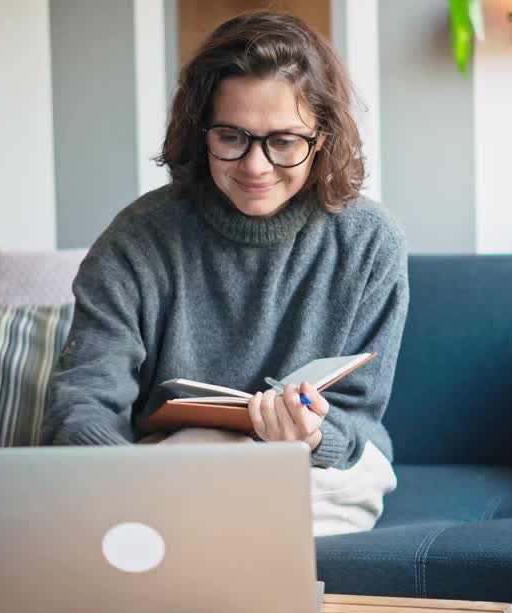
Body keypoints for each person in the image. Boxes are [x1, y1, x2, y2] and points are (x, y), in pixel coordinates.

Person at [40, 11, 408, 536]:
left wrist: (310, 438)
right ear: (201, 131)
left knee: (257, 517)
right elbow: (84, 401)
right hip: (174, 464)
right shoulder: (139, 238)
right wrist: (115, 486)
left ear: (322, 138)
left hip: (318, 471)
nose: (255, 166)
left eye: (284, 141)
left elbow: (357, 420)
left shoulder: (370, 242)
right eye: (232, 137)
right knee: (180, 496)